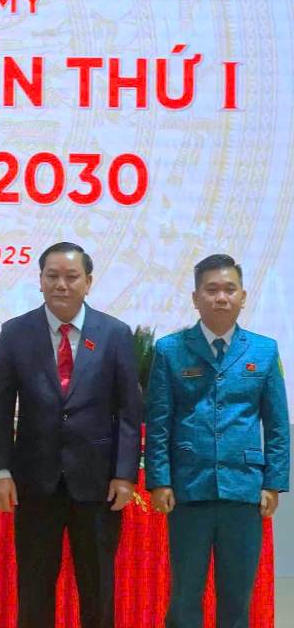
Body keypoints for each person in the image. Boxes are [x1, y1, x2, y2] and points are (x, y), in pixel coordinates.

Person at [0, 241, 142, 628]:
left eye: (71, 277)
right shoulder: (16, 333)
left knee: (98, 588)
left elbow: (129, 410)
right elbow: (0, 406)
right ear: (39, 281)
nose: (61, 285)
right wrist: (0, 471)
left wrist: (125, 474)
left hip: (97, 484)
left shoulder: (115, 333)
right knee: (35, 588)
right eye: (52, 276)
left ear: (88, 282)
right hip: (35, 483)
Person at [145, 254, 289, 628]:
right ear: (196, 297)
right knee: (185, 597)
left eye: (229, 289)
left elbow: (277, 424)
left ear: (243, 296)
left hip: (244, 490)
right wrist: (159, 480)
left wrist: (274, 482)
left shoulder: (264, 350)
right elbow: (158, 421)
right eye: (211, 290)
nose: (220, 297)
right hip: (188, 490)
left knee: (237, 597)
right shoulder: (170, 349)